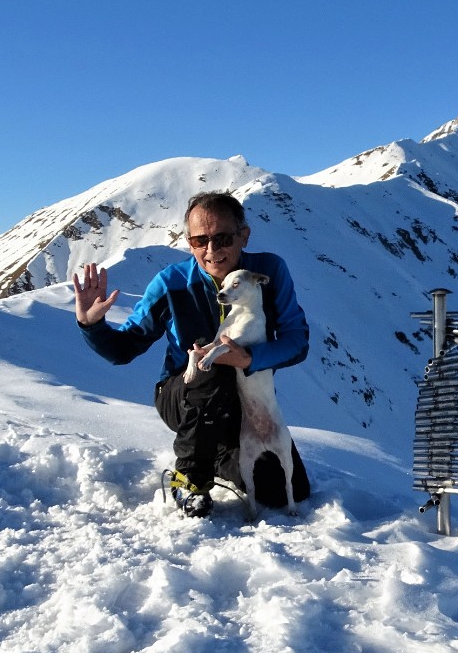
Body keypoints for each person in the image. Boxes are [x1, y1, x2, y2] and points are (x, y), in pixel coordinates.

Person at [73, 192, 311, 517]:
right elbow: (124, 348)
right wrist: (92, 325)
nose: (211, 250)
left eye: (223, 238)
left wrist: (249, 359)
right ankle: (190, 479)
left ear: (244, 236)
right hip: (182, 395)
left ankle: (215, 453)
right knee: (206, 359)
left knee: (287, 491)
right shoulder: (171, 284)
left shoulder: (267, 272)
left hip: (240, 401)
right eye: (200, 240)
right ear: (189, 242)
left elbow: (297, 341)